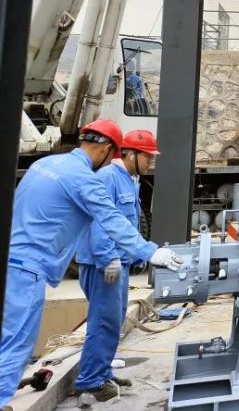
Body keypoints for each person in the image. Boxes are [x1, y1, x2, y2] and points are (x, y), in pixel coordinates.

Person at [0, 120, 182, 408]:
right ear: (107, 149)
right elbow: (110, 220)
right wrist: (150, 252)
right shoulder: (84, 178)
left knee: (8, 337)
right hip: (29, 267)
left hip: (12, 259)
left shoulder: (44, 164)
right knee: (17, 344)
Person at [74, 129, 159, 401]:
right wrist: (107, 258)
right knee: (103, 322)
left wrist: (133, 258)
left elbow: (127, 224)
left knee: (113, 321)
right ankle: (90, 382)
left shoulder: (130, 180)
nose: (151, 163)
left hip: (117, 263)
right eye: (147, 157)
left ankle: (103, 372)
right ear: (130, 154)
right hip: (103, 265)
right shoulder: (108, 178)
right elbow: (99, 222)